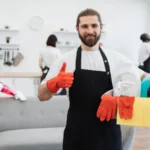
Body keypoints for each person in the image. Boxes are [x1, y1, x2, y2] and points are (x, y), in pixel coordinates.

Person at [38, 8, 149, 150]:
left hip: (109, 138)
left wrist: (119, 102)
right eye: (84, 26)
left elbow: (146, 81)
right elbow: (41, 95)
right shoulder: (65, 60)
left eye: (94, 26)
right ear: (77, 28)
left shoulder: (117, 59)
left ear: (101, 28)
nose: (90, 31)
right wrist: (52, 85)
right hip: (76, 137)